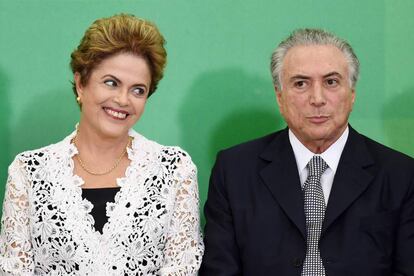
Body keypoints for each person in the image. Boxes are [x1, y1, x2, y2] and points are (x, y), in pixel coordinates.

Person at [0, 14, 203, 275]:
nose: (123, 99)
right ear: (81, 84)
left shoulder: (174, 170)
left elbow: (182, 268)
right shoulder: (28, 171)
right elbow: (14, 270)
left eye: (138, 90)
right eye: (111, 83)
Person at [200, 28, 414, 275]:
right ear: (280, 98)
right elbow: (220, 270)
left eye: (331, 82)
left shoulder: (401, 175)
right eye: (301, 83)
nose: (317, 98)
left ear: (352, 95)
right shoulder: (234, 170)